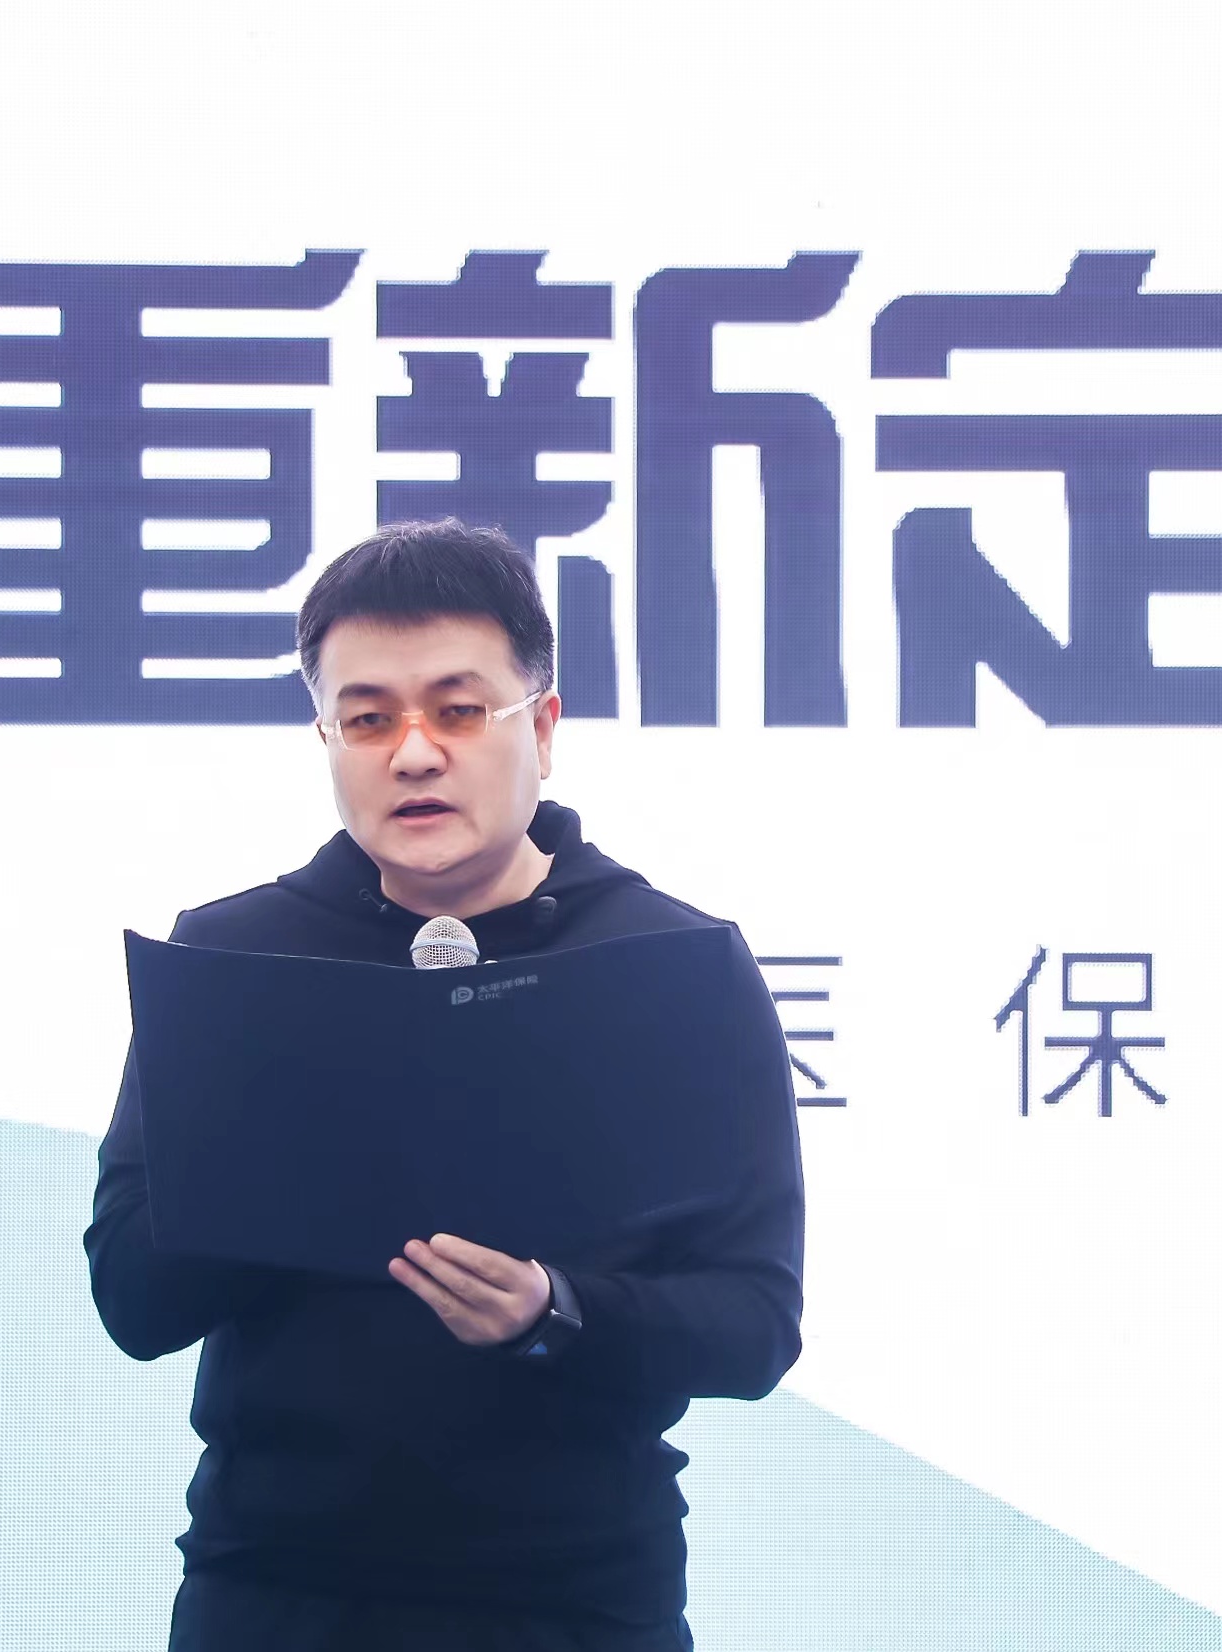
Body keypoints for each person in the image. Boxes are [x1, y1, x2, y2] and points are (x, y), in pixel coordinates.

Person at [84, 519, 805, 1652]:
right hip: (272, 1599)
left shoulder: (673, 965)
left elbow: (754, 1322)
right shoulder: (234, 960)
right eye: (368, 718)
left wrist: (551, 1311)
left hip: (576, 1605)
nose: (413, 753)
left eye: (459, 710)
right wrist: (310, 1148)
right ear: (326, 738)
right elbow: (132, 1296)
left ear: (543, 728)